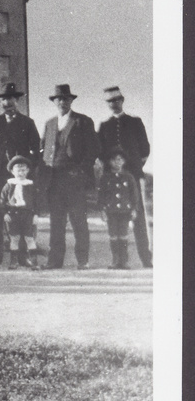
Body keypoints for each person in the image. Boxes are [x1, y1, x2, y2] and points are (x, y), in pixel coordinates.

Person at [0, 82, 42, 266]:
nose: (7, 103)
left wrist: (26, 168)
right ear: (0, 102)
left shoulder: (27, 123)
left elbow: (36, 149)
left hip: (20, 178)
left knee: (22, 215)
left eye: (11, 99)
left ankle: (22, 256)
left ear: (17, 100)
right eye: (4, 99)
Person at [40, 84, 100, 270]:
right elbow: (43, 150)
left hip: (75, 180)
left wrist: (81, 172)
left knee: (78, 222)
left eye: (65, 99)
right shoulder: (49, 124)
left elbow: (92, 150)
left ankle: (83, 261)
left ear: (71, 101)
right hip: (54, 179)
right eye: (58, 99)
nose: (62, 102)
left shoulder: (83, 121)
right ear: (54, 102)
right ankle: (54, 261)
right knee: (56, 222)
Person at [97, 86, 152, 267]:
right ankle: (120, 260)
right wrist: (113, 171)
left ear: (122, 101)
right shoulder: (104, 126)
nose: (114, 104)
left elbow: (145, 149)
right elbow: (101, 152)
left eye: (117, 100)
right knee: (116, 218)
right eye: (110, 101)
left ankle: (146, 258)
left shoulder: (135, 122)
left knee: (138, 218)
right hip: (113, 179)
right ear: (107, 104)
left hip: (133, 176)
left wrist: (134, 168)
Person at [99, 146, 141, 270]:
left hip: (124, 211)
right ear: (109, 162)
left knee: (123, 235)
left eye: (120, 159)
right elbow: (101, 195)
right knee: (113, 235)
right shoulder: (105, 177)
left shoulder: (129, 177)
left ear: (123, 161)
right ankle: (115, 260)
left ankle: (124, 261)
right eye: (114, 160)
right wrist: (102, 210)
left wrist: (134, 209)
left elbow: (134, 195)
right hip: (111, 211)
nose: (117, 162)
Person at [0, 155, 40, 270]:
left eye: (23, 170)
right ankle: (13, 262)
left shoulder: (30, 185)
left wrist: (36, 214)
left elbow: (36, 202)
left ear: (27, 171)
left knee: (29, 238)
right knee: (14, 238)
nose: (21, 173)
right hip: (13, 214)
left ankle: (34, 262)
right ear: (12, 171)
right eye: (18, 170)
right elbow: (2, 201)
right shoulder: (8, 186)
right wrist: (5, 213)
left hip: (27, 215)